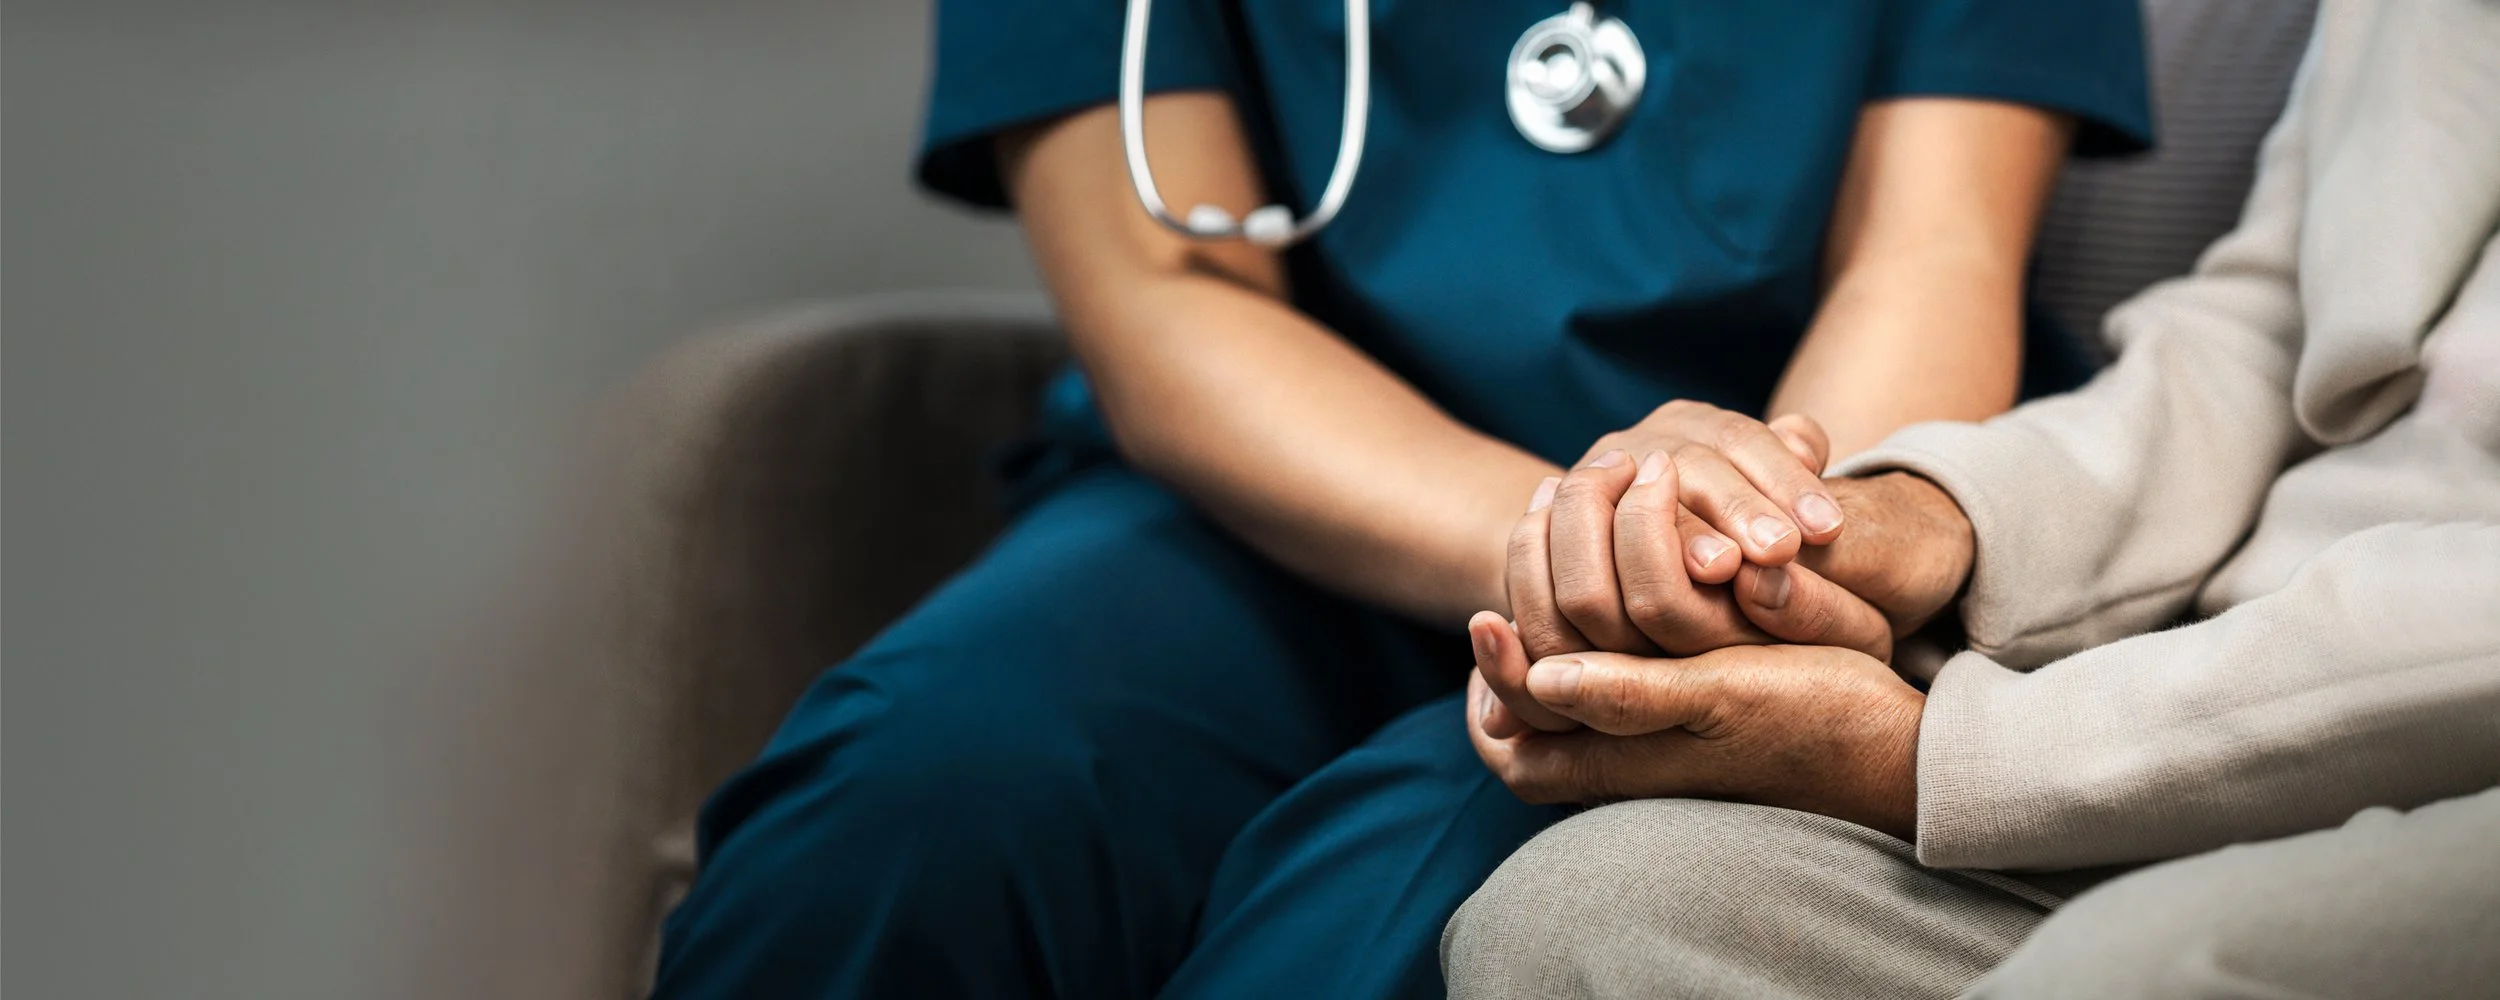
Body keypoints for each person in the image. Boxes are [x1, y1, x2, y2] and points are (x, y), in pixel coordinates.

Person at [649, 1, 2152, 997]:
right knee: (906, 814)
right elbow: (1171, 308)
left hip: (1761, 544)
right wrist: (1586, 537)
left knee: (1375, 925)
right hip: (1259, 507)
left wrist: (1732, 550)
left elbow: (1936, 256)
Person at [1445, 0, 2500, 995]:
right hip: (2225, 662)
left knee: (2125, 969)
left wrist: (1936, 756)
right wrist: (1917, 522)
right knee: (1581, 911)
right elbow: (2271, 324)